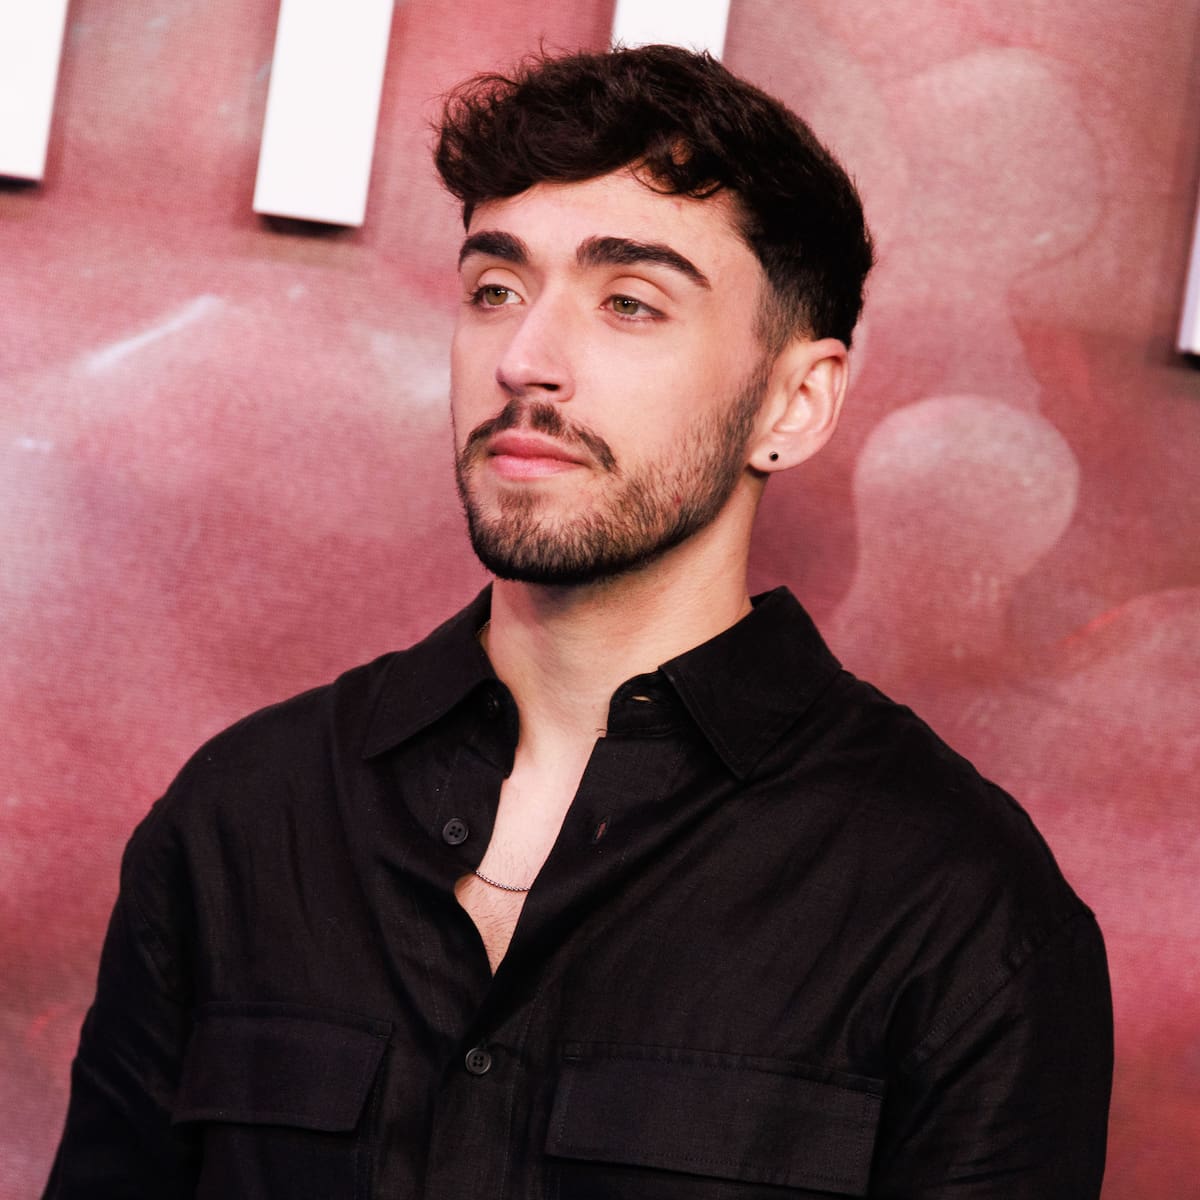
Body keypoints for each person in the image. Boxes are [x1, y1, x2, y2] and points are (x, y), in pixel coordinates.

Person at [43, 44, 1112, 1199]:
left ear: (794, 403)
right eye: (495, 290)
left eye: (630, 303)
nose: (525, 360)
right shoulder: (246, 817)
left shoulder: (961, 906)